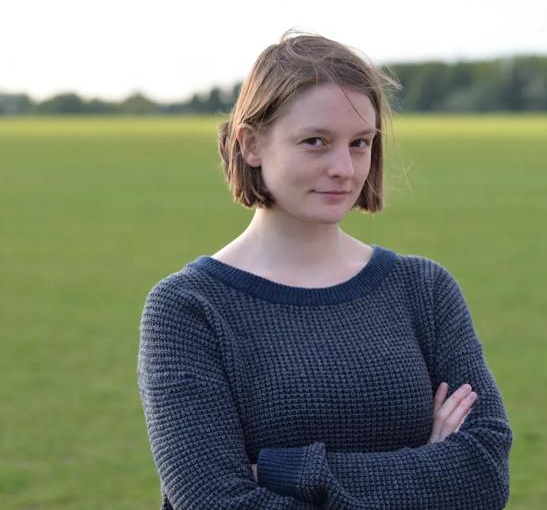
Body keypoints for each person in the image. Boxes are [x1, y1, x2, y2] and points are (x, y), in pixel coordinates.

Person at [137, 32, 511, 508]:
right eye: (316, 141)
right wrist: (428, 469)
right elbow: (217, 500)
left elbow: (482, 475)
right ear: (250, 144)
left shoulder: (424, 290)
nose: (344, 168)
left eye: (360, 143)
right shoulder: (188, 309)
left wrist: (283, 471)